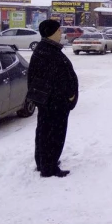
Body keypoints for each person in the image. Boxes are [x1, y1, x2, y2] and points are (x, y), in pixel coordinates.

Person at [28, 19, 78, 178]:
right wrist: (67, 95)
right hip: (55, 102)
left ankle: (44, 161)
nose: (61, 33)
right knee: (53, 134)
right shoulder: (47, 52)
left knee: (44, 131)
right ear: (51, 32)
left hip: (51, 101)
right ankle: (48, 167)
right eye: (58, 31)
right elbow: (53, 79)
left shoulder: (48, 49)